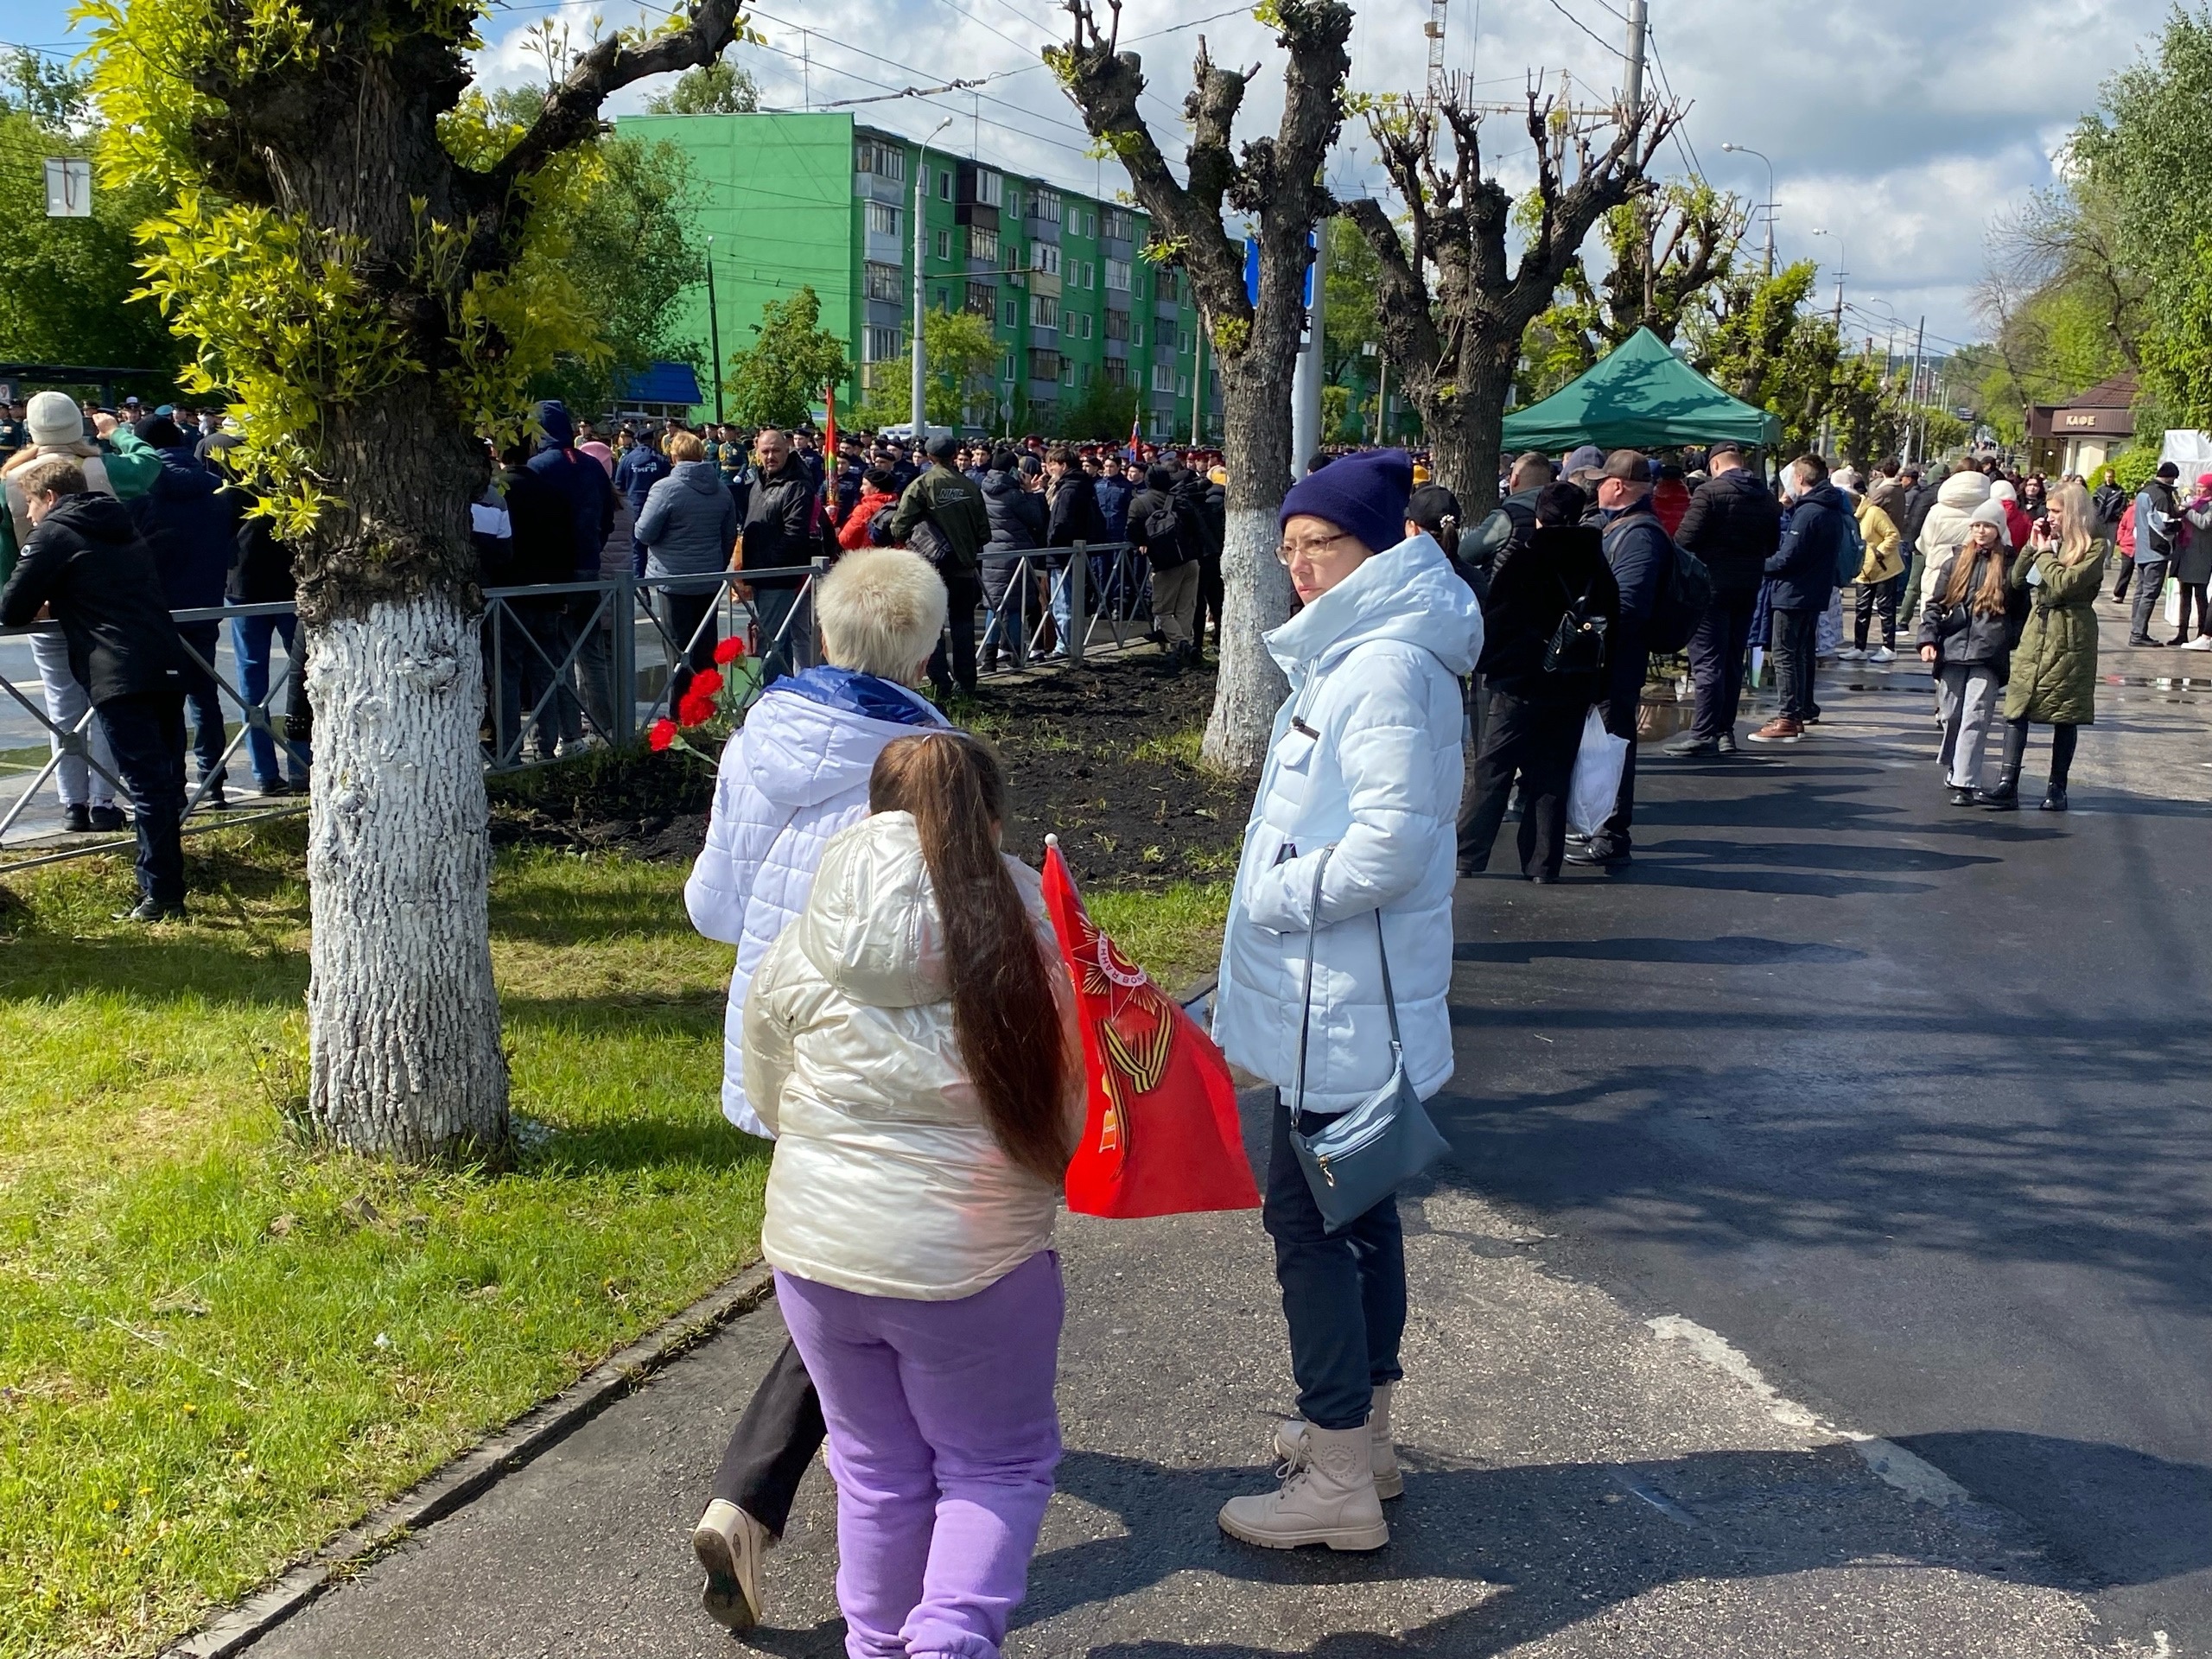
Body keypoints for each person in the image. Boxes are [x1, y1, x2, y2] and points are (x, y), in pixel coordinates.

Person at [741, 728, 1079, 1659]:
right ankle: (950, 1640)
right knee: (995, 1466)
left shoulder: (812, 933)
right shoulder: (1030, 935)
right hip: (973, 1259)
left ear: (873, 816)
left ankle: (878, 1647)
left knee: (874, 1472)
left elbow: (769, 1090)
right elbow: (1072, 1109)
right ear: (994, 818)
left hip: (817, 1253)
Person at [1211, 449, 1482, 1551]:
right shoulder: (1371, 656)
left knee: (1310, 1224)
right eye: (1286, 549)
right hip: (1346, 999)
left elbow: (1392, 847)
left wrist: (1276, 894)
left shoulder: (1380, 669)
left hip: (1344, 1007)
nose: (1298, 567)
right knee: (1357, 1216)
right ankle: (1361, 1438)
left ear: (1373, 547)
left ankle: (1334, 1476)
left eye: (1316, 545)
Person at [684, 550, 952, 1634]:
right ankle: (754, 1498)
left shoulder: (760, 738)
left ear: (823, 633)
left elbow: (714, 903)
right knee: (872, 1264)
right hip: (890, 1052)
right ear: (926, 646)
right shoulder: (938, 757)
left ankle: (766, 1489)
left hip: (780, 1035)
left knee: (832, 1254)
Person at [1, 459, 194, 918]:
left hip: (116, 670)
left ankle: (163, 895)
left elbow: (11, 607)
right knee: (165, 783)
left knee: (147, 785)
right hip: (165, 659)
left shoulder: (53, 533)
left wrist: (51, 601)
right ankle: (163, 885)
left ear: (48, 497)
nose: (27, 515)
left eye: (29, 504)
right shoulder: (120, 523)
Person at [1459, 480, 1618, 880]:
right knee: (1551, 773)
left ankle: (1467, 855)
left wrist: (1491, 667)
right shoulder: (1596, 562)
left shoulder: (1526, 558)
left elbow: (1497, 620)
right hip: (1574, 683)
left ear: (1538, 516)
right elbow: (1613, 623)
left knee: (1493, 769)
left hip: (1521, 682)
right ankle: (1542, 863)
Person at [2, 391, 129, 830]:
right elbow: (147, 467)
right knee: (105, 701)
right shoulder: (100, 466)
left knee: (61, 705)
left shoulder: (10, 480)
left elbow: (5, 552)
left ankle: (71, 803)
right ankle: (104, 801)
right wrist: (116, 433)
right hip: (99, 604)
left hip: (42, 604)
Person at [127, 415, 237, 804]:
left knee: (165, 700)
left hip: (159, 608)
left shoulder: (143, 494)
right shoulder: (216, 489)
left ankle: (172, 784)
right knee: (206, 697)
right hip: (205, 603)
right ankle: (213, 782)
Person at [1567, 449, 1669, 867]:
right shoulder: (1627, 528)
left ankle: (1611, 834)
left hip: (1617, 660)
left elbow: (1629, 605)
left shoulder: (1640, 535)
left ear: (1617, 485)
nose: (1595, 487)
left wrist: (1586, 627)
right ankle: (1600, 827)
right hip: (1610, 656)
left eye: (1600, 480)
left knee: (1611, 745)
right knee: (1605, 744)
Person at [1979, 480, 2104, 811]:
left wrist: (2047, 553)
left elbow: (2064, 584)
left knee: (2066, 711)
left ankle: (2057, 787)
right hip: (2038, 629)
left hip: (2071, 633)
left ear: (2074, 513)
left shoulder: (2095, 546)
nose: (2050, 517)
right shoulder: (2047, 541)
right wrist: (2033, 547)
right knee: (2017, 706)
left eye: (2056, 511)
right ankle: (2008, 783)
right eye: (2048, 510)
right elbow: (2019, 581)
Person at [1665, 440, 1781, 757]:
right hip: (1748, 586)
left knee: (1707, 661)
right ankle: (1725, 731)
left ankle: (1703, 732)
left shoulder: (1709, 493)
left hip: (1711, 587)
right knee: (1732, 660)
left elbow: (1684, 540)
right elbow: (1773, 545)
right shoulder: (1767, 498)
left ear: (1715, 465)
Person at [528, 400, 618, 749]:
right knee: (591, 652)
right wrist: (593, 547)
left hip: (556, 574)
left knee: (557, 658)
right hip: (589, 568)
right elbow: (608, 517)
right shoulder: (592, 465)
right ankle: (605, 729)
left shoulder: (539, 467)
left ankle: (571, 737)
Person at [1917, 499, 2018, 805]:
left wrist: (2007, 638)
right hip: (1952, 647)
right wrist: (1928, 639)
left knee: (1976, 715)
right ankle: (1954, 765)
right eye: (1976, 525)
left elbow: (2023, 610)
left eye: (1987, 525)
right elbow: (1935, 604)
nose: (1980, 531)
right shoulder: (1956, 560)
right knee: (1951, 714)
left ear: (1999, 529)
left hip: (1989, 653)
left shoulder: (2011, 565)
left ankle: (1964, 781)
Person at [1750, 455, 1851, 745]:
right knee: (1803, 652)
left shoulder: (1809, 512)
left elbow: (1788, 557)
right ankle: (1801, 708)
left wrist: (1758, 564)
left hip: (1794, 592)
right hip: (1814, 590)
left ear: (1800, 479)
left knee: (1785, 653)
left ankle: (1788, 716)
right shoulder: (1829, 507)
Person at [633, 430, 738, 702]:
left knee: (679, 651)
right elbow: (729, 537)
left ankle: (680, 716)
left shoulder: (665, 488)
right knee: (706, 651)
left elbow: (644, 533)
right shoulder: (722, 489)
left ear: (674, 455)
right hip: (709, 578)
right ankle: (709, 710)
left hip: (674, 579)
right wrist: (715, 563)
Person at [888, 434, 990, 697]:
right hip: (965, 571)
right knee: (964, 628)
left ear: (930, 457)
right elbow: (984, 534)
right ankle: (967, 685)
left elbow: (899, 527)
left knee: (932, 628)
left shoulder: (922, 485)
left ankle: (939, 683)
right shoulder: (970, 486)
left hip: (931, 571)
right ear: (955, 454)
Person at [738, 428, 818, 682]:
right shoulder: (760, 480)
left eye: (776, 451)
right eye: (765, 451)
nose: (770, 456)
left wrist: (768, 566)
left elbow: (794, 535)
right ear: (756, 450)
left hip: (778, 577)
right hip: (762, 576)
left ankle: (774, 700)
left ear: (787, 450)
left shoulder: (797, 485)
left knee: (771, 646)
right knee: (773, 644)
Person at [1127, 461, 1201, 670]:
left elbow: (1132, 530)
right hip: (1190, 560)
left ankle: (1182, 645)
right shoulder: (1179, 499)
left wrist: (1141, 543)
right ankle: (1184, 653)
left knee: (1162, 610)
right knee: (1185, 609)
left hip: (1165, 564)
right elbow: (1195, 526)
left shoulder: (1139, 503)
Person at [976, 448, 1045, 672]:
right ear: (1013, 469)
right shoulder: (1014, 495)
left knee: (993, 606)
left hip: (992, 552)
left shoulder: (983, 489)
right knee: (1014, 607)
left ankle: (988, 659)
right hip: (1016, 555)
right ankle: (1016, 656)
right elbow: (1035, 519)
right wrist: (1032, 493)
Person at [1041, 444, 1106, 660]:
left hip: (1063, 553)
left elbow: (1061, 522)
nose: (1049, 469)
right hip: (1075, 551)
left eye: (1053, 464)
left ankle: (1064, 646)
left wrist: (1051, 543)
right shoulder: (1083, 484)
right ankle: (1071, 644)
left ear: (1063, 465)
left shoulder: (1069, 489)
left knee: (1063, 601)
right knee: (1071, 599)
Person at [1838, 483, 1904, 662]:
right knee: (1862, 608)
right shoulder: (1850, 517)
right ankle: (1860, 647)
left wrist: (1879, 553)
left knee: (1885, 609)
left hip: (1884, 568)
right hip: (1863, 570)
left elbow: (1893, 535)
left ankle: (1889, 648)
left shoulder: (1874, 513)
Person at [2130, 461, 2184, 647]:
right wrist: (2180, 521)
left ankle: (2136, 630)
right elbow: (2164, 525)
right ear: (2170, 477)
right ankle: (2138, 634)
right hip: (2157, 551)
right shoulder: (2161, 496)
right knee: (2150, 594)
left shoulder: (2144, 492)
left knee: (2140, 591)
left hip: (2142, 550)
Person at [2176, 473, 2212, 649]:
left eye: (2202, 487)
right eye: (2197, 486)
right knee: (2184, 595)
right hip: (2186, 552)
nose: (2198, 489)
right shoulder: (2194, 502)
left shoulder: (2210, 505)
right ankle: (2181, 632)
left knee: (2200, 596)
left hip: (2201, 555)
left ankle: (2202, 632)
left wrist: (2188, 512)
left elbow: (2205, 523)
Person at [836, 465, 904, 554]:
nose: (861, 489)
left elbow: (845, 540)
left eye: (864, 484)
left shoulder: (865, 509)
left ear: (876, 488)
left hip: (867, 556)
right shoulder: (898, 506)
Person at [614, 426, 671, 520]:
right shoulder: (661, 460)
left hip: (633, 506)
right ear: (653, 441)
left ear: (637, 441)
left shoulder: (627, 459)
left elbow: (619, 486)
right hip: (656, 506)